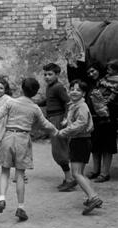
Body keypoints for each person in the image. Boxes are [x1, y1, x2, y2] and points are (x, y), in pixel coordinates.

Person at [0, 78, 58, 222]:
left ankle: (2, 198)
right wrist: (57, 131)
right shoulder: (35, 108)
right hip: (23, 139)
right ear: (36, 93)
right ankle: (21, 207)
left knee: (5, 171)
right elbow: (45, 124)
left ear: (22, 89)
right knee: (19, 175)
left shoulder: (11, 102)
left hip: (8, 137)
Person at [57, 80, 103, 215]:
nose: (74, 91)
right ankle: (91, 196)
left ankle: (93, 197)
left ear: (83, 93)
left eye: (78, 90)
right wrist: (66, 122)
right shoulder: (75, 105)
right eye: (72, 89)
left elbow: (81, 123)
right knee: (80, 173)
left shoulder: (81, 106)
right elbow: (76, 120)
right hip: (81, 140)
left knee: (76, 174)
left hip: (80, 141)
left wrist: (63, 132)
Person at [38, 63, 75, 191]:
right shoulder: (50, 87)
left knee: (60, 150)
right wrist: (33, 103)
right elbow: (48, 101)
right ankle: (69, 177)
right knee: (58, 150)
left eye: (50, 74)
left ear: (57, 75)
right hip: (52, 119)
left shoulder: (58, 87)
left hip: (58, 120)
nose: (47, 77)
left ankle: (70, 179)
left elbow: (69, 103)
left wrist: (66, 118)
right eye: (45, 74)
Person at [86, 60, 118, 183]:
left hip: (109, 118)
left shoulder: (112, 82)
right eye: (89, 72)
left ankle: (104, 173)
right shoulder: (93, 84)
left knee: (106, 146)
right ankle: (95, 170)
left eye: (93, 71)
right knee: (95, 146)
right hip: (94, 119)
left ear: (99, 70)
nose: (91, 74)